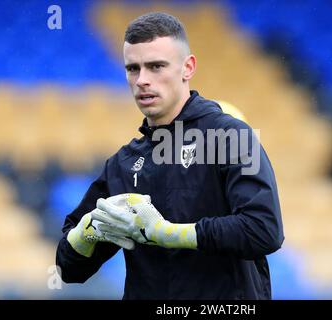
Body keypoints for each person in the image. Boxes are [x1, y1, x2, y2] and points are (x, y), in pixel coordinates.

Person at [56, 12, 284, 300]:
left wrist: (167, 233)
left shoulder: (232, 135)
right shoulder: (124, 162)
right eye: (133, 69)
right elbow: (70, 269)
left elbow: (263, 230)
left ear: (187, 68)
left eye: (156, 66)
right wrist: (88, 231)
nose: (142, 80)